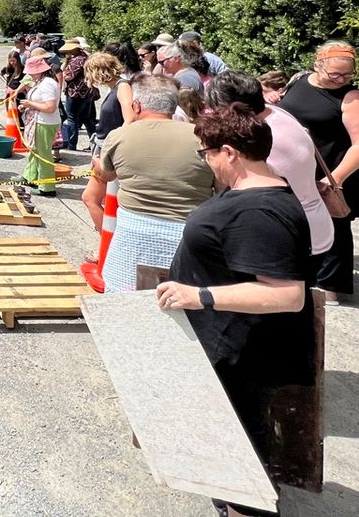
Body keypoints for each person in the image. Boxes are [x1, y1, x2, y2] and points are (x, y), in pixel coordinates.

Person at [157, 104, 314, 517]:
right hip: (230, 344)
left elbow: (287, 296)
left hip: (242, 351)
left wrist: (199, 296)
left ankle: (247, 507)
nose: (205, 161)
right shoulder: (251, 196)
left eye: (205, 152)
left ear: (229, 152)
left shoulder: (259, 212)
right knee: (229, 433)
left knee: (242, 438)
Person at [206, 71, 334, 277]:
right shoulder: (278, 113)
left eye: (216, 110)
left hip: (292, 234)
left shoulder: (259, 138)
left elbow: (249, 192)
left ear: (232, 109)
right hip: (314, 224)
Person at [96, 74, 215, 292]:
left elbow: (106, 176)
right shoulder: (203, 138)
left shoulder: (120, 136)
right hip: (188, 235)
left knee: (124, 297)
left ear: (137, 106)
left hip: (133, 234)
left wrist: (96, 164)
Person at [277, 41, 359, 302]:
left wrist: (336, 178)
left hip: (332, 173)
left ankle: (330, 291)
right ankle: (300, 280)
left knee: (333, 231)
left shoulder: (353, 98)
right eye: (335, 74)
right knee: (296, 226)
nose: (341, 79)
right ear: (316, 65)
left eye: (347, 74)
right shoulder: (299, 81)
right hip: (295, 170)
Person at [81, 52, 127, 249]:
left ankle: (108, 246)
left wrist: (108, 152)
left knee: (90, 198)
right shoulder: (116, 87)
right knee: (94, 199)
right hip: (105, 149)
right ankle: (107, 244)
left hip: (111, 152)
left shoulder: (123, 87)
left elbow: (130, 119)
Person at [17, 57, 62, 196]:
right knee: (36, 151)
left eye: (31, 71)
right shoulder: (42, 82)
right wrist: (26, 106)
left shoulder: (47, 84)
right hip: (41, 121)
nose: (29, 74)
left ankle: (47, 187)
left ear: (39, 71)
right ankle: (30, 177)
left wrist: (30, 105)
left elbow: (50, 107)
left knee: (44, 155)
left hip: (45, 122)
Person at [59, 39, 97, 151]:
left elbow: (68, 76)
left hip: (75, 93)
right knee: (86, 118)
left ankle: (72, 144)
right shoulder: (87, 57)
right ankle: (94, 143)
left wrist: (66, 65)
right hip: (88, 92)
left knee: (71, 118)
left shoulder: (77, 60)